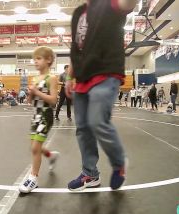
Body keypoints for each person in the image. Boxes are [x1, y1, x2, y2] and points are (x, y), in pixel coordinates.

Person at [65, 0, 136, 191]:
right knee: (83, 129)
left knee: (97, 121)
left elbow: (127, 4)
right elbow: (76, 48)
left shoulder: (109, 4)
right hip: (82, 77)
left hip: (105, 71)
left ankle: (119, 163)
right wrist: (69, 77)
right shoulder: (78, 12)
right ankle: (90, 174)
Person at [19, 46, 60, 193]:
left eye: (39, 58)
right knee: (35, 148)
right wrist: (30, 94)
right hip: (35, 115)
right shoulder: (35, 78)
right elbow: (30, 101)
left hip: (45, 115)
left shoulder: (52, 78)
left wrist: (37, 92)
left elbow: (54, 100)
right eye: (34, 59)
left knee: (35, 148)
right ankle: (51, 155)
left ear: (48, 60)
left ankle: (33, 178)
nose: (35, 61)